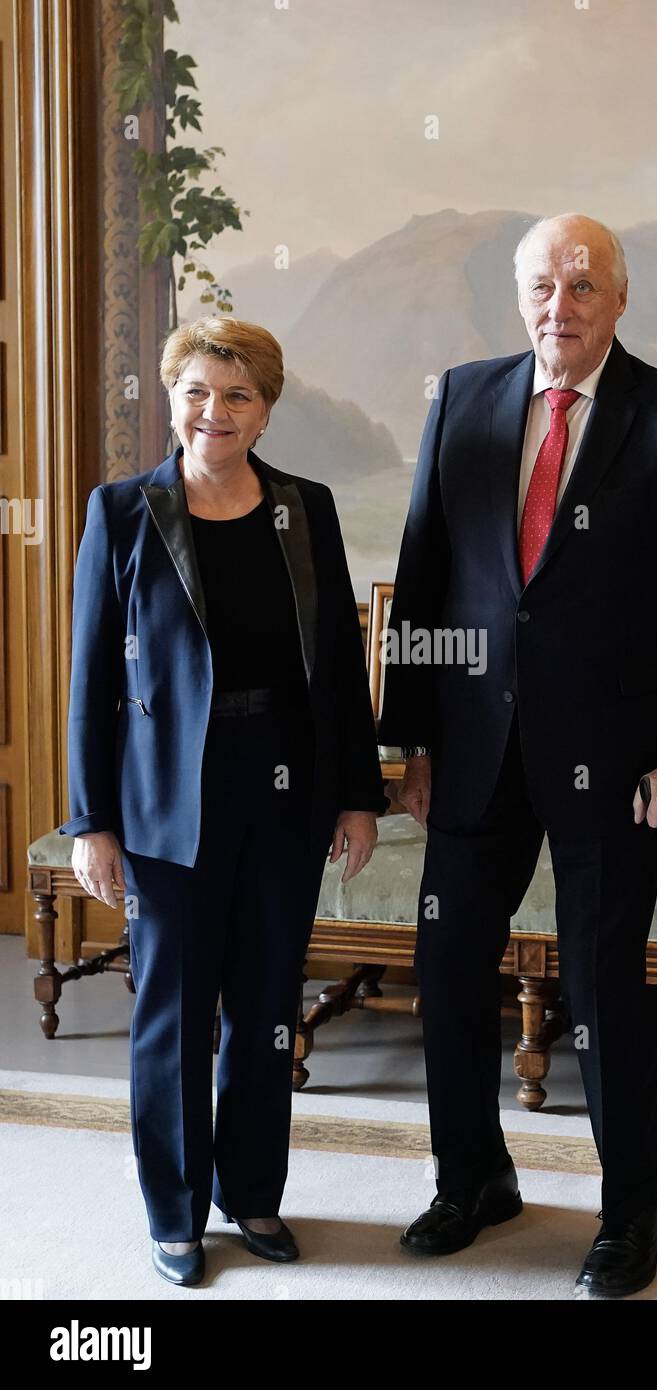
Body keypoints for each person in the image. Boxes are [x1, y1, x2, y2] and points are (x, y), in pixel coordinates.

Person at [378, 214, 657, 1297]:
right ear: (519, 296)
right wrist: (409, 739)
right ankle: (472, 1179)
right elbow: (421, 577)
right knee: (447, 968)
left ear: (619, 298)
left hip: (618, 762)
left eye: (583, 286)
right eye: (543, 285)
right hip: (470, 751)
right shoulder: (459, 397)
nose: (562, 305)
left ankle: (630, 1214)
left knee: (601, 987)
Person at [60, 317, 388, 1287]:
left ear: (266, 409)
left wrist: (356, 798)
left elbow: (337, 667)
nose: (215, 412)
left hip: (283, 795)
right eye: (198, 391)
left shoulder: (305, 509)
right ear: (172, 398)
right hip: (165, 804)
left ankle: (251, 1195)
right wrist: (92, 820)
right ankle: (173, 1210)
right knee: (172, 1013)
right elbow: (88, 679)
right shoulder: (122, 512)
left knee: (264, 1008)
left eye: (237, 395)